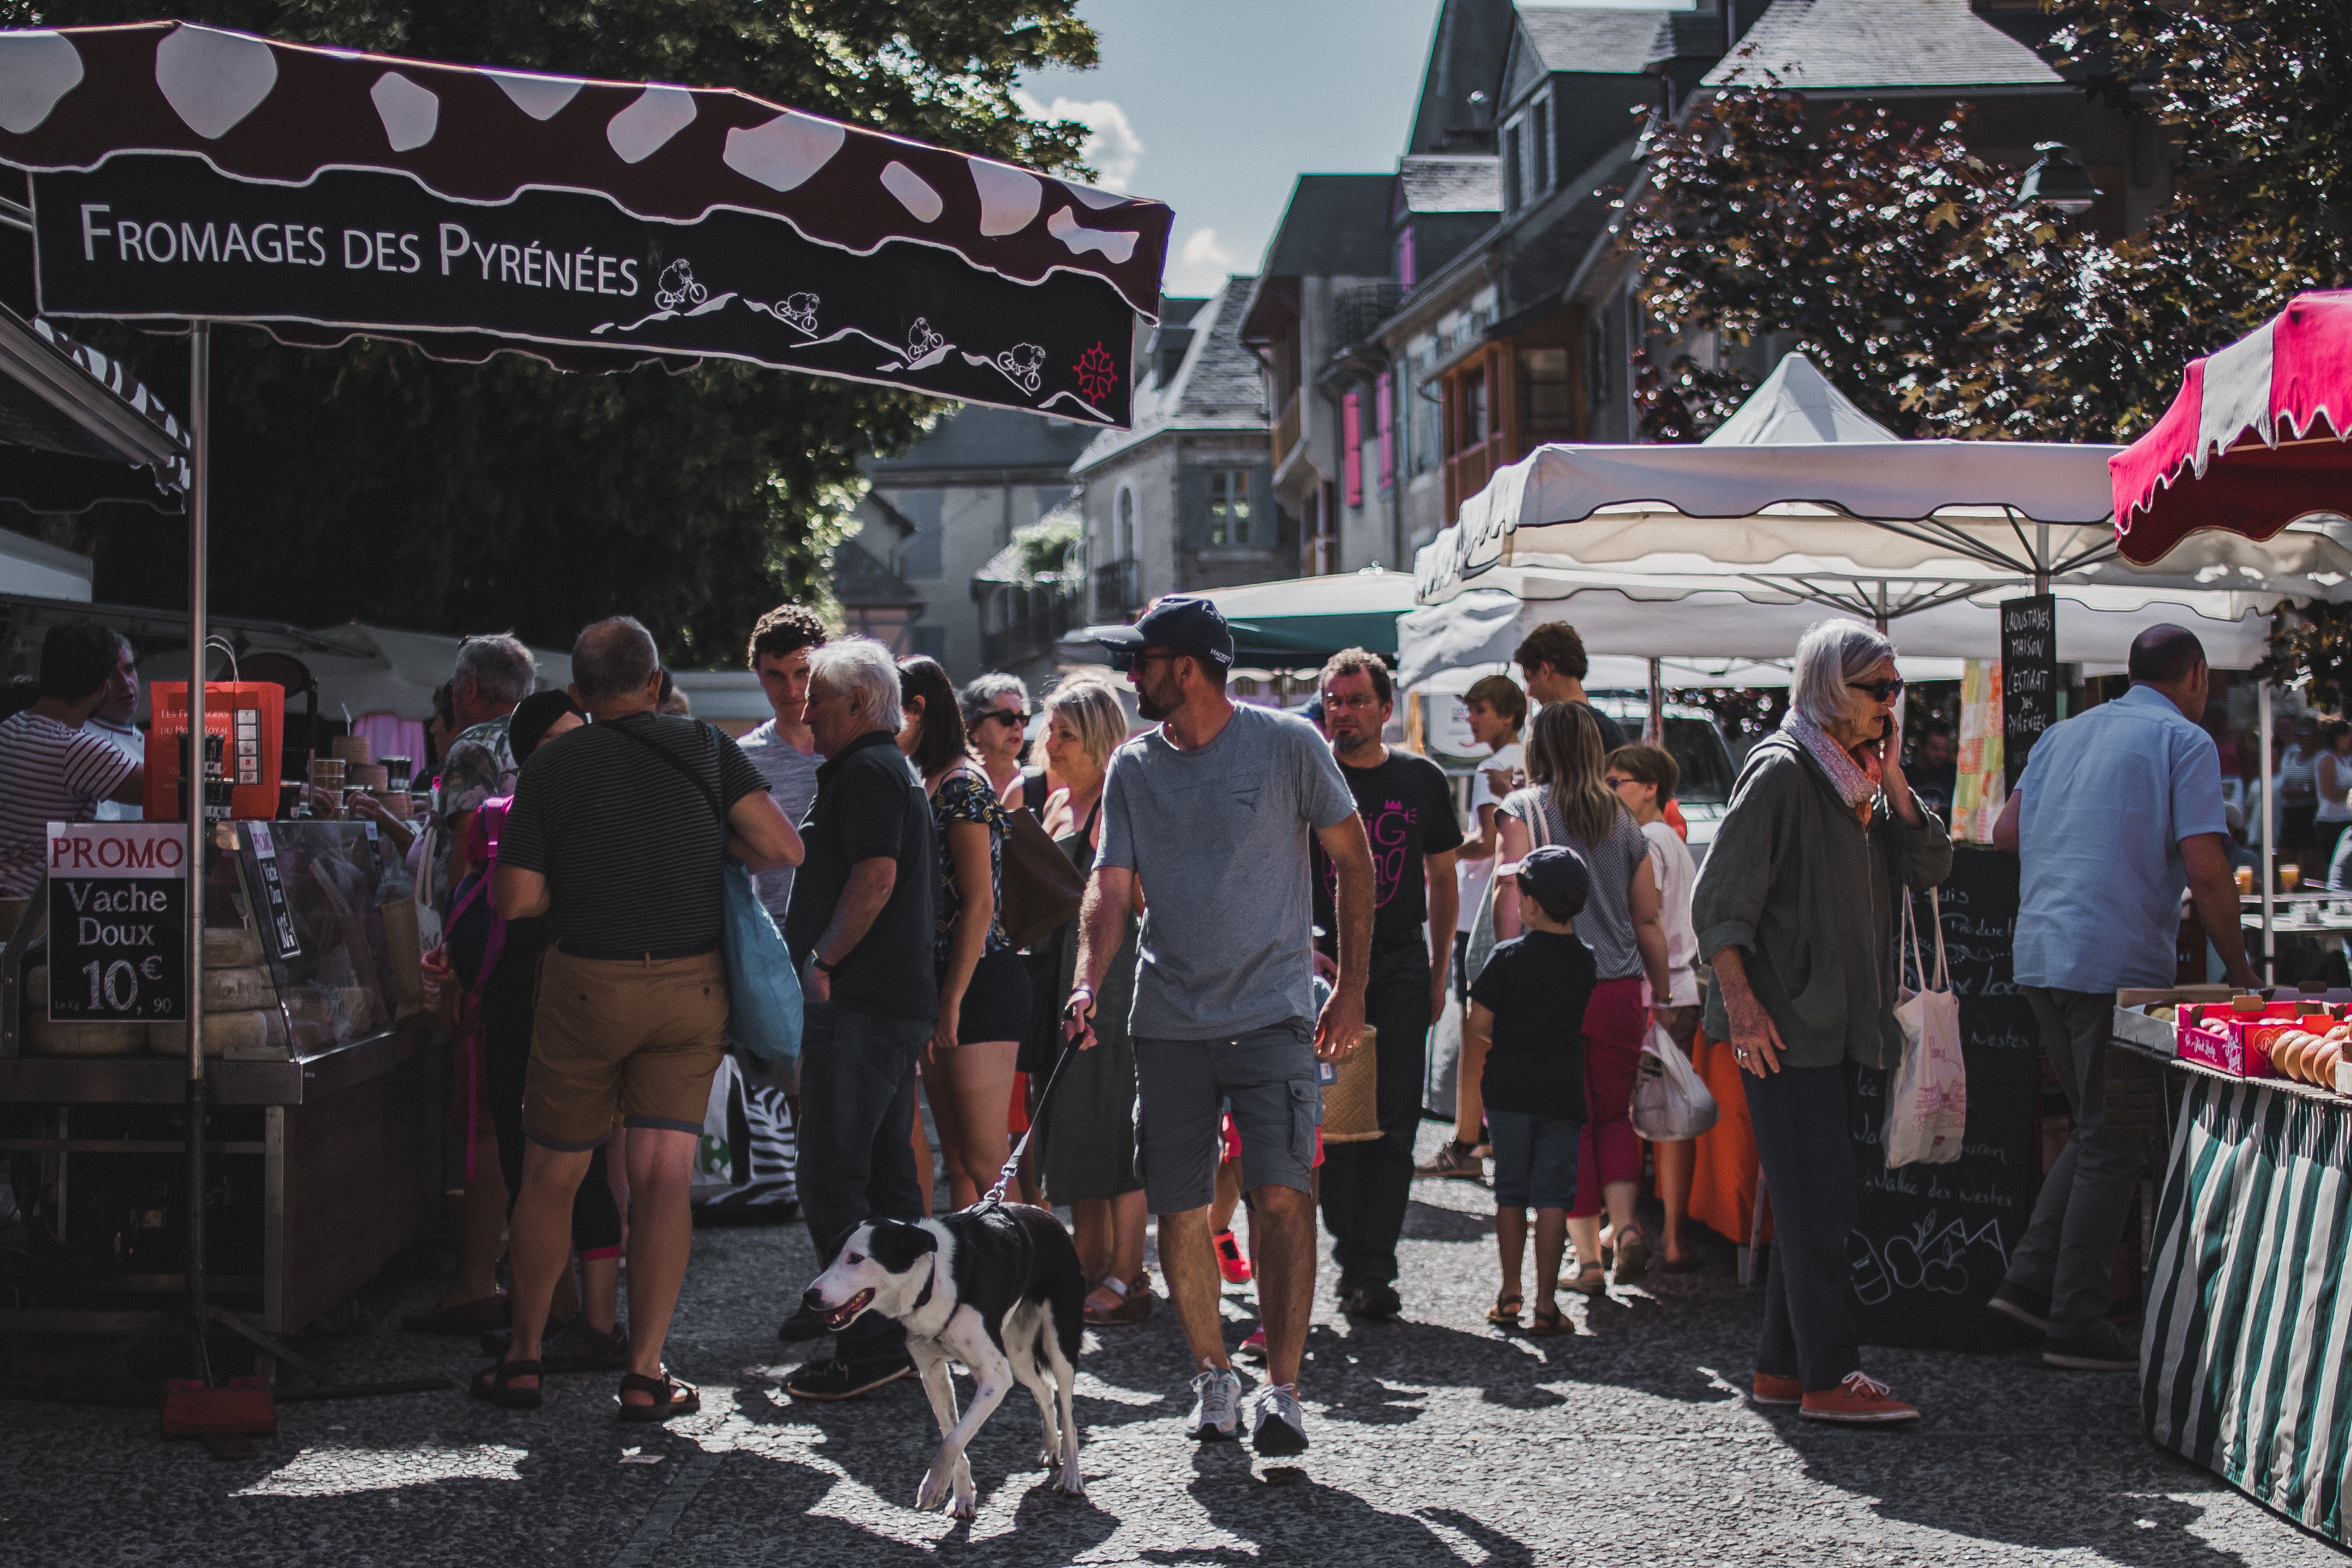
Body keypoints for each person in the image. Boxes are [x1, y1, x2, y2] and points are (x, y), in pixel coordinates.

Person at [1066, 595, 1373, 1458]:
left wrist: (1348, 991)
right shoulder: (1133, 767)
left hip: (1275, 1012)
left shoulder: (1287, 745)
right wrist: (1087, 983)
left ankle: (1283, 1389)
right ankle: (1213, 1376)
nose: (1133, 675)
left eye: (1145, 660)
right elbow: (1112, 887)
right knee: (1181, 1208)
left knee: (1282, 1196)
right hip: (1166, 1021)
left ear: (1189, 665)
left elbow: (1353, 859)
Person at [479, 617, 800, 1416]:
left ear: (580, 695)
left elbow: (514, 898)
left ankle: (522, 1359)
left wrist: (581, 886)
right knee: (662, 1180)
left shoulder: (554, 766)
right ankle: (647, 1372)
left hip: (584, 986)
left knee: (553, 1173)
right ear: (656, 684)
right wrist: (702, 857)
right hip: (689, 990)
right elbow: (781, 848)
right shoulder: (705, 748)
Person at [1695, 620, 1950, 1424]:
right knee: (1821, 1202)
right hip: (1783, 1027)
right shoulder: (1782, 771)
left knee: (1815, 1198)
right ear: (1833, 689)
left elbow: (1931, 867)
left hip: (1836, 1026)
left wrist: (1899, 782)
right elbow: (1716, 906)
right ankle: (1830, 1377)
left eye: (1896, 688)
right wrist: (1741, 1007)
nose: (1891, 703)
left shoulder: (1861, 782)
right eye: (1878, 689)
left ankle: (1782, 1367)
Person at [1992, 624, 2258, 1371]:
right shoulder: (2185, 741)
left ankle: (2026, 1282)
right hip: (2116, 961)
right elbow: (2208, 868)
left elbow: (2006, 831)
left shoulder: (2063, 734)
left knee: (2096, 1130)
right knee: (2118, 1138)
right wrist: (2239, 969)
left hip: (2041, 953)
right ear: (2197, 674)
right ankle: (2074, 1316)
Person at [778, 638, 942, 1401]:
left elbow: (875, 878)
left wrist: (825, 962)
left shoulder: (870, 769)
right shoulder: (880, 768)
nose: (804, 708)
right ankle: (909, 1334)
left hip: (863, 1002)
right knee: (881, 1176)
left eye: (817, 695)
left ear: (856, 704)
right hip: (883, 1002)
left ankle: (873, 1342)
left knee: (832, 1174)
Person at [1493, 705, 1668, 1295]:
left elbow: (1512, 897)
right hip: (1620, 986)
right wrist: (1661, 994)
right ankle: (1627, 1228)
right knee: (1614, 1115)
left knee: (1568, 1122)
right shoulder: (1623, 817)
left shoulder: (1523, 808)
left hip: (1553, 988)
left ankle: (1588, 1259)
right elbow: (1648, 917)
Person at [1310, 647, 1461, 1319]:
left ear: (1385, 707)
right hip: (1322, 966)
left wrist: (1438, 972)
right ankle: (1350, 1253)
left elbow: (1445, 880)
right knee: (1340, 1123)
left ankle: (1375, 1265)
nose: (1342, 712)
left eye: (1356, 700)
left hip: (1400, 963)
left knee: (1395, 1120)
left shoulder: (1422, 780)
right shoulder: (1309, 775)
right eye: (1333, 700)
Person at [1030, 678, 1153, 1325]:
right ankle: (1089, 1264)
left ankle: (1130, 1275)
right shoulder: (1054, 804)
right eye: (1050, 729)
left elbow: (1140, 909)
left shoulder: (1115, 806)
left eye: (1066, 733)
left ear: (1100, 741)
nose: (1050, 743)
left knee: (1116, 1134)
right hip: (1062, 982)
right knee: (1077, 1130)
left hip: (1110, 985)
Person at [898, 656, 1028, 1209]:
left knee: (985, 1159)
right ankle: (975, 1284)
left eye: (890, 712)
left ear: (920, 709)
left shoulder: (961, 781)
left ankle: (1043, 1282)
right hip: (946, 983)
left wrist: (950, 1000)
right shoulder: (927, 778)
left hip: (979, 982)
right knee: (960, 1163)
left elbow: (980, 903)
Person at [1470, 846, 1598, 1337]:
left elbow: (1479, 1025)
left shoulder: (1508, 957)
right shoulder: (1585, 963)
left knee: (1510, 1191)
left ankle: (1510, 1295)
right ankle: (1547, 1304)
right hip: (1561, 1089)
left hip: (1508, 1089)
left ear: (1530, 903)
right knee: (1553, 1196)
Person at [1423, 673, 1526, 1181]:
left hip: (1479, 913)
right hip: (1517, 912)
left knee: (1474, 1033)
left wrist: (1436, 856)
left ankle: (1468, 1141)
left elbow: (1487, 843)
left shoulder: (1493, 765)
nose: (1472, 717)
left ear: (1509, 714)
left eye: (1480, 708)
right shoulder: (1532, 758)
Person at [1606, 742, 1704, 1272]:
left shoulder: (1647, 840)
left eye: (1617, 781)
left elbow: (1642, 922)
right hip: (1677, 991)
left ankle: (1653, 1231)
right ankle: (1669, 1236)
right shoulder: (1671, 839)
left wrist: (1658, 998)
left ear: (1650, 788)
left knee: (1646, 1115)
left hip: (1657, 993)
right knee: (1671, 1116)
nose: (1608, 790)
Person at [0, 620, 145, 899]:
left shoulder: (10, 726)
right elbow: (172, 790)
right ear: (103, 686)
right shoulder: (75, 750)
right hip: (21, 918)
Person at [738, 605, 828, 927]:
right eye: (775, 675)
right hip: (771, 936)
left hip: (849, 936)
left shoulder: (857, 753)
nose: (791, 690)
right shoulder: (742, 759)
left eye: (802, 672)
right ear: (758, 676)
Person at [436, 633, 537, 914]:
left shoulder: (473, 745)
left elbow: (465, 845)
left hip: (485, 916)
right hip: (533, 907)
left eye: (455, 686)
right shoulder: (546, 736)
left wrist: (455, 933)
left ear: (470, 689)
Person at [1514, 621, 1629, 753]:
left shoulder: (1548, 725)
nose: (1530, 692)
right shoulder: (1613, 731)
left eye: (1529, 679)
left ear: (1545, 670)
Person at [86, 632, 143, 822]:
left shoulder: (144, 736)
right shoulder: (88, 744)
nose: (125, 683)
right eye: (111, 676)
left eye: (129, 670)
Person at [961, 672, 1033, 808]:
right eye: (1006, 717)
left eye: (1022, 718)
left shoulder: (1038, 783)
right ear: (973, 728)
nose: (1017, 726)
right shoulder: (960, 784)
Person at [2280, 716, 2320, 864]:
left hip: (2309, 814)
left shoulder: (2319, 757)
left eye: (2304, 732)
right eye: (2297, 732)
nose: (2299, 736)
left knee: (2310, 860)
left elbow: (2319, 786)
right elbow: (2285, 780)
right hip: (2290, 814)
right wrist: (2285, 790)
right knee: (2285, 858)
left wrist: (2303, 792)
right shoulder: (2292, 755)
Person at [2315, 719, 2352, 878]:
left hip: (2345, 819)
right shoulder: (2328, 759)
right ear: (2339, 737)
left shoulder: (2343, 760)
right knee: (2333, 866)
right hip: (2332, 823)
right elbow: (2328, 792)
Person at [1907, 719, 1958, 820]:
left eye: (1944, 749)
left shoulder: (1953, 774)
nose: (1941, 754)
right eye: (1935, 748)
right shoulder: (1907, 775)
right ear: (1921, 746)